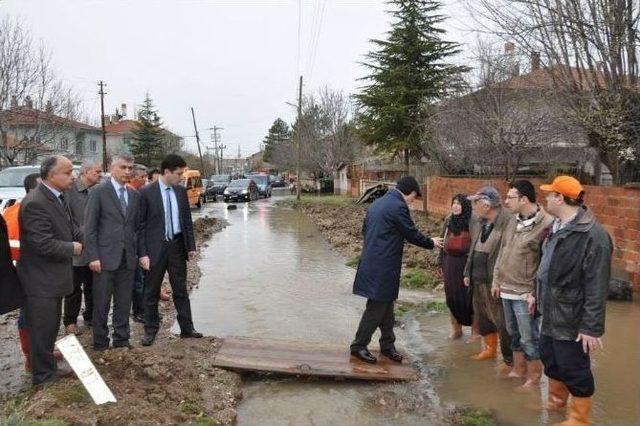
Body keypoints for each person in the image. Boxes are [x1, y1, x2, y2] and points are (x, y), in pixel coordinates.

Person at [534, 176, 611, 425]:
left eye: (549, 194)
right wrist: (535, 295)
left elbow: (597, 285)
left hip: (571, 316)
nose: (545, 198)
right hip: (549, 310)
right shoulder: (556, 226)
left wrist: (590, 327)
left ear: (560, 198)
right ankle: (556, 404)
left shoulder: (593, 235)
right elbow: (545, 268)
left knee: (574, 368)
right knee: (551, 359)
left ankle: (579, 418)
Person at [350, 176, 443, 364]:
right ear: (409, 192)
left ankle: (387, 345)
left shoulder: (378, 202)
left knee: (387, 304)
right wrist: (431, 242)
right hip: (383, 265)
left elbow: (365, 230)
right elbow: (411, 233)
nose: (412, 201)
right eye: (414, 197)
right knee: (376, 308)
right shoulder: (398, 206)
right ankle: (358, 346)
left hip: (373, 261)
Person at [17, 155, 82, 385]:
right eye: (67, 172)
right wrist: (72, 248)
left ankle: (48, 368)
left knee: (50, 328)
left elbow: (70, 229)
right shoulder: (36, 202)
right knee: (41, 330)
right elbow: (41, 243)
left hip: (53, 279)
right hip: (40, 281)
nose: (73, 176)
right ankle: (43, 377)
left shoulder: (58, 197)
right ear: (51, 175)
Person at [492, 180, 552, 389]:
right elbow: (502, 251)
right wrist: (496, 280)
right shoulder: (512, 220)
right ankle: (519, 370)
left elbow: (545, 266)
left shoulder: (547, 224)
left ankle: (534, 378)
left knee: (529, 337)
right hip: (507, 288)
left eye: (510, 197)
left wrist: (534, 293)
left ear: (524, 199)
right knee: (513, 334)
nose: (506, 201)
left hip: (526, 292)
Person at [138, 154, 202, 346]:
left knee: (180, 289)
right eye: (179, 173)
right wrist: (142, 253)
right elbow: (140, 226)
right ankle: (150, 330)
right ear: (166, 172)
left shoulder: (181, 192)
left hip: (176, 246)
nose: (181, 177)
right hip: (154, 249)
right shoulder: (146, 192)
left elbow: (187, 222)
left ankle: (187, 328)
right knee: (150, 292)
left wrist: (190, 246)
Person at [2, 173, 62, 371]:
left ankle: (38, 353)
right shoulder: (31, 211)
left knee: (29, 314)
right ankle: (32, 357)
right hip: (25, 272)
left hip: (16, 272)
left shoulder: (11, 210)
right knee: (29, 316)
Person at [84, 154, 141, 351]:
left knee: (124, 302)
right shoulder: (99, 192)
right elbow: (89, 227)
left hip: (127, 258)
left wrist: (139, 254)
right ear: (112, 168)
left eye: (130, 168)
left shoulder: (134, 195)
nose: (128, 172)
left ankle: (122, 340)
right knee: (101, 302)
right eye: (123, 167)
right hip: (104, 258)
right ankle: (100, 342)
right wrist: (92, 256)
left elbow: (135, 228)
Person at [464, 187, 516, 371]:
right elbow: (473, 249)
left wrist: (500, 279)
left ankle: (509, 360)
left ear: (487, 205)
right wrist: (467, 272)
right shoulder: (480, 222)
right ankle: (490, 349)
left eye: (476, 202)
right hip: (478, 278)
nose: (473, 206)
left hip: (495, 281)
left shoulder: (508, 222)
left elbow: (508, 254)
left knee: (501, 320)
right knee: (483, 316)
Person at [63, 160, 103, 334]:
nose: (100, 175)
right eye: (97, 172)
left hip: (95, 246)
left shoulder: (98, 191)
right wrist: (78, 235)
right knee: (73, 287)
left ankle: (91, 316)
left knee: (93, 284)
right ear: (85, 172)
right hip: (76, 246)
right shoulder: (69, 191)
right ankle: (70, 321)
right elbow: (65, 218)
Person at [439, 194, 475, 340]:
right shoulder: (448, 221)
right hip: (450, 263)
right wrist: (440, 263)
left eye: (459, 204)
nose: (455, 206)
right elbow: (442, 242)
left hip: (466, 263)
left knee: (470, 299)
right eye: (453, 203)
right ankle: (456, 330)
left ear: (465, 206)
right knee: (451, 297)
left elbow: (476, 246)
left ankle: (475, 332)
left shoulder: (473, 222)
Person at [128, 164, 148, 323]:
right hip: (132, 246)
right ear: (133, 177)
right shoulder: (131, 194)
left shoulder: (137, 193)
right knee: (137, 281)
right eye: (142, 177)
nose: (145, 180)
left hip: (138, 244)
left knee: (141, 280)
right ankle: (139, 312)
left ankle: (141, 309)